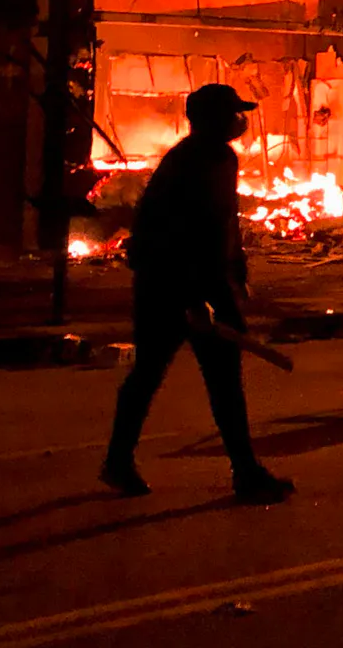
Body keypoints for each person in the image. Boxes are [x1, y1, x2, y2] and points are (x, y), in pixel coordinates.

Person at [102, 85, 294, 503]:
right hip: (174, 285)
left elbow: (225, 222)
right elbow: (180, 235)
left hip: (202, 283)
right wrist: (194, 300)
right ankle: (241, 473)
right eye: (233, 114)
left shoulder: (217, 158)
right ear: (213, 119)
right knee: (165, 375)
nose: (239, 121)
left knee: (209, 380)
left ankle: (241, 471)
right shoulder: (193, 162)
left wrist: (237, 272)